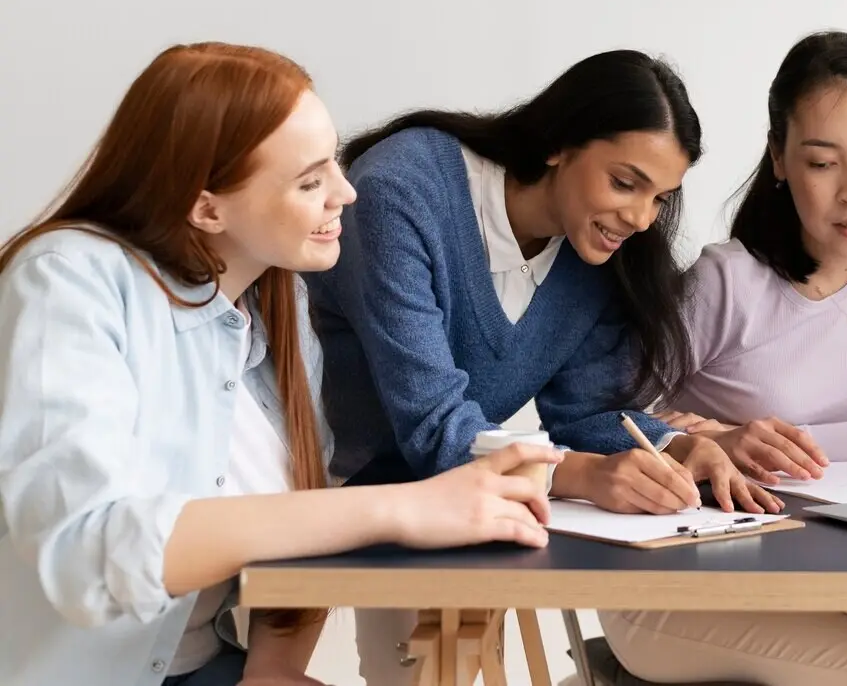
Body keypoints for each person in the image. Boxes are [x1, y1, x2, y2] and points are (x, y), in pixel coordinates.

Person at [0, 43, 563, 686]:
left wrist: (273, 667)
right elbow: (91, 553)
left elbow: (302, 497)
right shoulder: (67, 282)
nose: (347, 194)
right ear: (207, 207)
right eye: (310, 180)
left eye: (334, 166)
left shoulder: (277, 304)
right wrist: (403, 507)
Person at [303, 49, 770, 685]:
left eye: (661, 196)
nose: (639, 218)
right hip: (327, 488)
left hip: (462, 513)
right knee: (418, 670)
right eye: (625, 182)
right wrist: (585, 475)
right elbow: (434, 426)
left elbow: (586, 411)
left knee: (444, 664)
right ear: (558, 144)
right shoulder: (401, 191)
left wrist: (677, 447)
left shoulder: (596, 250)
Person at [599, 32, 847, 686]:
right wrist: (695, 442)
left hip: (817, 557)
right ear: (779, 159)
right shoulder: (726, 282)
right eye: (822, 163)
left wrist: (778, 450)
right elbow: (596, 418)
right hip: (671, 584)